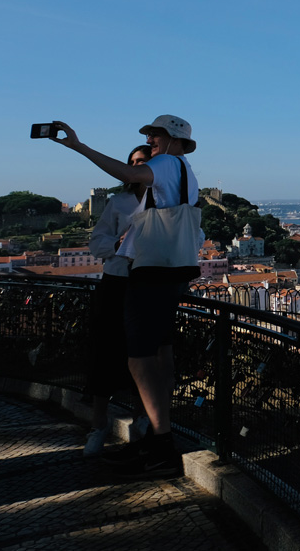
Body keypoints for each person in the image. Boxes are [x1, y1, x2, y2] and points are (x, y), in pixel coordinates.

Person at [51, 115, 200, 478]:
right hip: (174, 271)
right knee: (158, 355)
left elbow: (128, 174)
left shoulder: (166, 162)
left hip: (152, 273)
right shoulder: (186, 172)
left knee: (139, 359)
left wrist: (78, 146)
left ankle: (161, 445)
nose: (149, 140)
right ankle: (152, 440)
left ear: (174, 138)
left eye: (155, 134)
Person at [83, 144, 151, 456]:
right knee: (104, 353)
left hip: (148, 283)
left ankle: (141, 422)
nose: (136, 167)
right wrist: (118, 244)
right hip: (115, 282)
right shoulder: (118, 202)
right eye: (132, 162)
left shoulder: (166, 202)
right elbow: (96, 243)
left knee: (143, 355)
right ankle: (98, 426)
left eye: (142, 162)